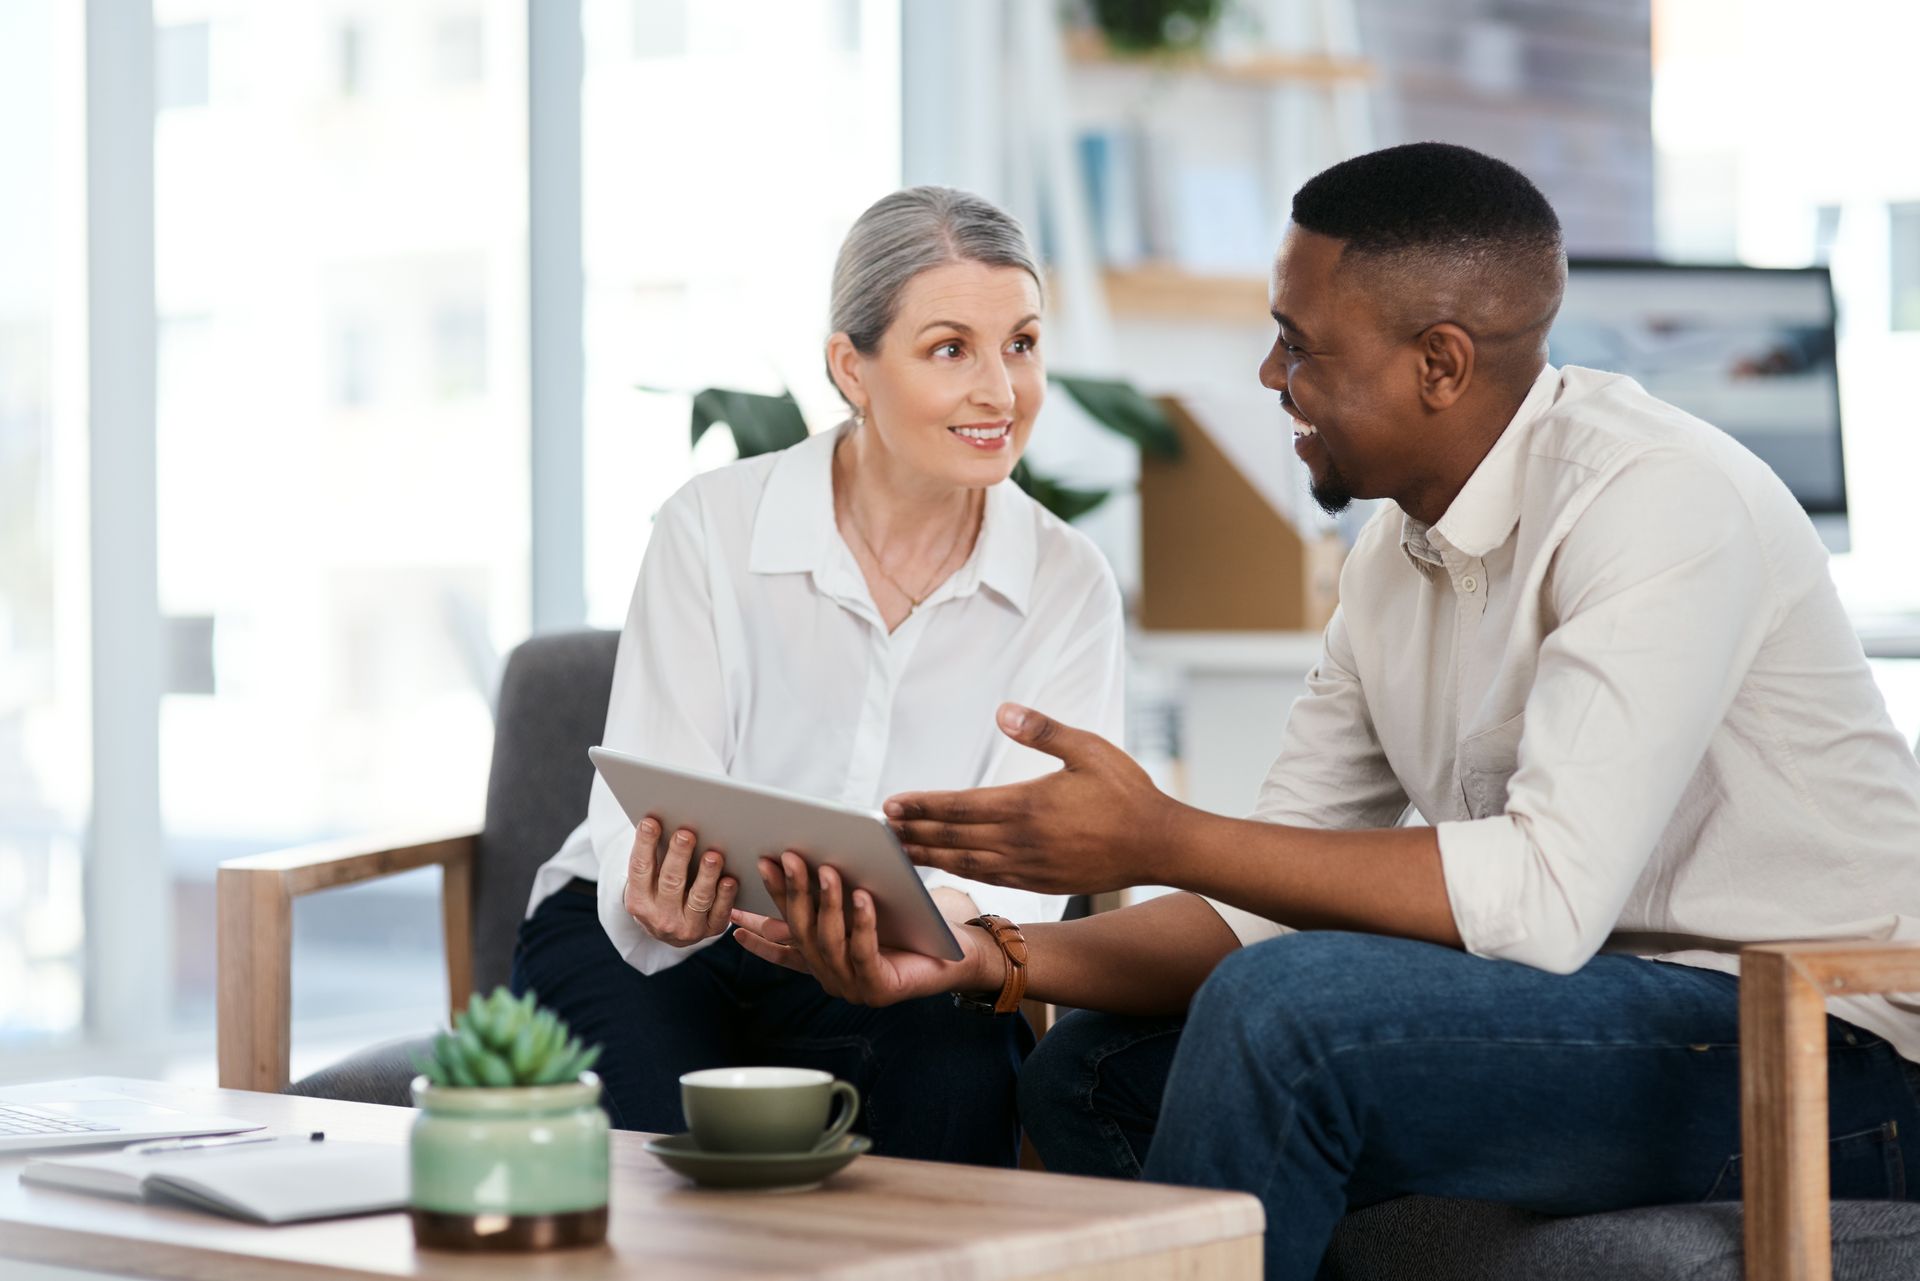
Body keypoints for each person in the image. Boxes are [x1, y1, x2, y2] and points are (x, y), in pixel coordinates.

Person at [728, 143, 1920, 1278]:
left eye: (1298, 346)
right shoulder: (1392, 560)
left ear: (1439, 365)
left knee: (1288, 1018)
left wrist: (1158, 836)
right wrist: (990, 957)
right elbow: (1259, 904)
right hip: (1594, 1013)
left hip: (1825, 1046)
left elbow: (1544, 897)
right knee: (1092, 1069)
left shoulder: (1658, 501)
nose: (1268, 376)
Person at [511, 186, 1124, 1168]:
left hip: (907, 956)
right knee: (658, 1166)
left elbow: (1024, 866)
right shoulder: (710, 525)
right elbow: (648, 792)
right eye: (950, 349)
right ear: (852, 367)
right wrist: (660, 899)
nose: (1001, 391)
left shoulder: (1068, 582)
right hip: (662, 940)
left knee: (954, 1072)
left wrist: (919, 939)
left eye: (1021, 344)